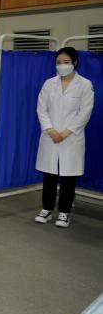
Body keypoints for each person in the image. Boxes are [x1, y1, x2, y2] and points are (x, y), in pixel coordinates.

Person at [35, 47, 94, 228]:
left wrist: (66, 132)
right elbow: (41, 109)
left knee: (68, 177)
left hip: (71, 138)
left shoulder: (85, 84)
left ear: (75, 62)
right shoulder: (49, 84)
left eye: (66, 62)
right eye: (59, 62)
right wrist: (50, 130)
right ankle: (46, 209)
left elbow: (85, 112)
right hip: (50, 137)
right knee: (49, 176)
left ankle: (64, 213)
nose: (62, 65)